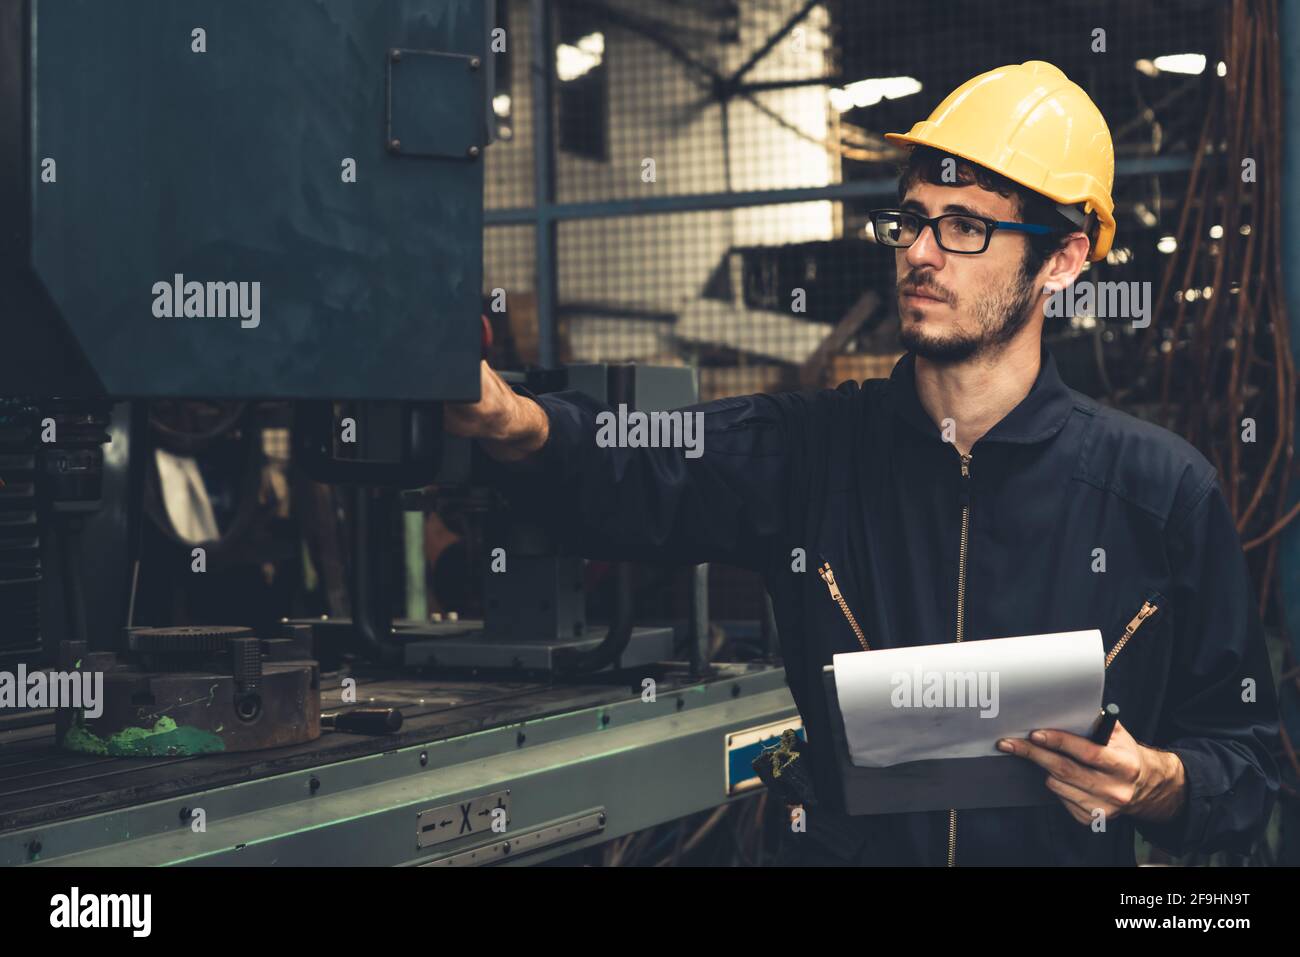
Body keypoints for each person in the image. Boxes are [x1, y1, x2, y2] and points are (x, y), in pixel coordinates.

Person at [446, 61, 1279, 866]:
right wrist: (516, 421)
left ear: (1061, 261)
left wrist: (1160, 783)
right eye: (911, 220)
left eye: (965, 226)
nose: (920, 252)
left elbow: (1245, 770)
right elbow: (649, 460)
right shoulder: (816, 454)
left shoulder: (1158, 494)